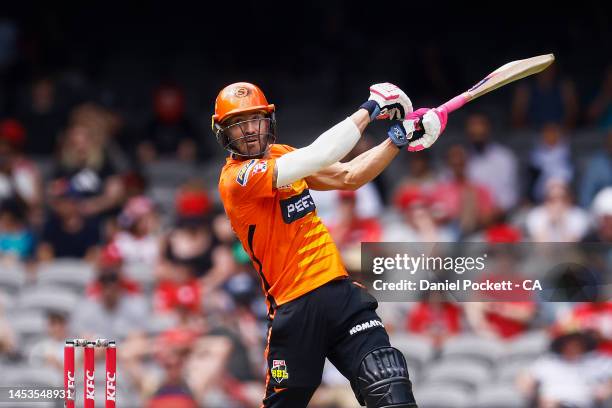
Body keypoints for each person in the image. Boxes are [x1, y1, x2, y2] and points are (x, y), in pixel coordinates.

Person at [213, 82, 447, 407]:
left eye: (255, 120)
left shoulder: (283, 154)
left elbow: (349, 175)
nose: (250, 131)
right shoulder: (237, 179)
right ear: (223, 132)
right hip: (294, 307)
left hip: (341, 294)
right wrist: (372, 107)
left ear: (268, 121)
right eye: (238, 124)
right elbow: (323, 153)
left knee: (389, 382)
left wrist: (399, 139)